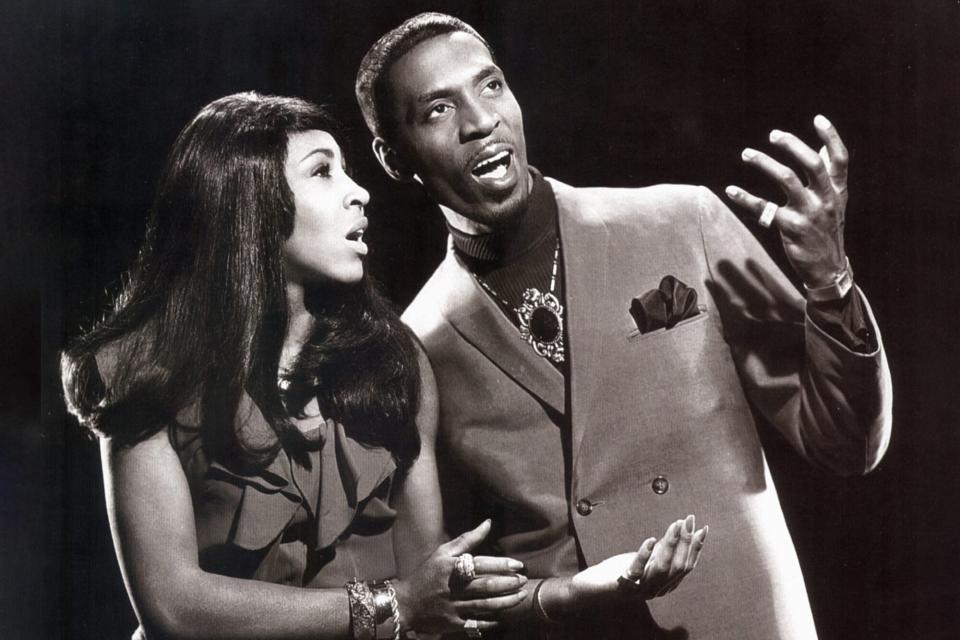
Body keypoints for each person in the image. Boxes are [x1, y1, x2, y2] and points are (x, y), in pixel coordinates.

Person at [60, 92, 701, 640]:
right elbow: (172, 605)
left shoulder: (394, 366)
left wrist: (579, 590)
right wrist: (389, 605)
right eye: (322, 172)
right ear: (247, 207)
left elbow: (435, 594)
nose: (360, 193)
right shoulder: (145, 372)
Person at [354, 13, 892, 639]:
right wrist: (558, 598)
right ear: (394, 158)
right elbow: (445, 593)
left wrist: (830, 281)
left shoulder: (682, 220)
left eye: (491, 85)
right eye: (438, 111)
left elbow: (846, 443)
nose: (480, 121)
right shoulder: (417, 344)